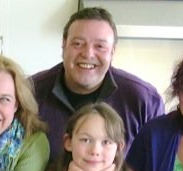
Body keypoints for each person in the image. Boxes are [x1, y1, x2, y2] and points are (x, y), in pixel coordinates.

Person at [31, 7, 164, 159]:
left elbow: (157, 166)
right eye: (78, 43)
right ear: (63, 46)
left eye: (100, 46)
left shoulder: (145, 101)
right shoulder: (29, 94)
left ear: (112, 52)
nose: (88, 54)